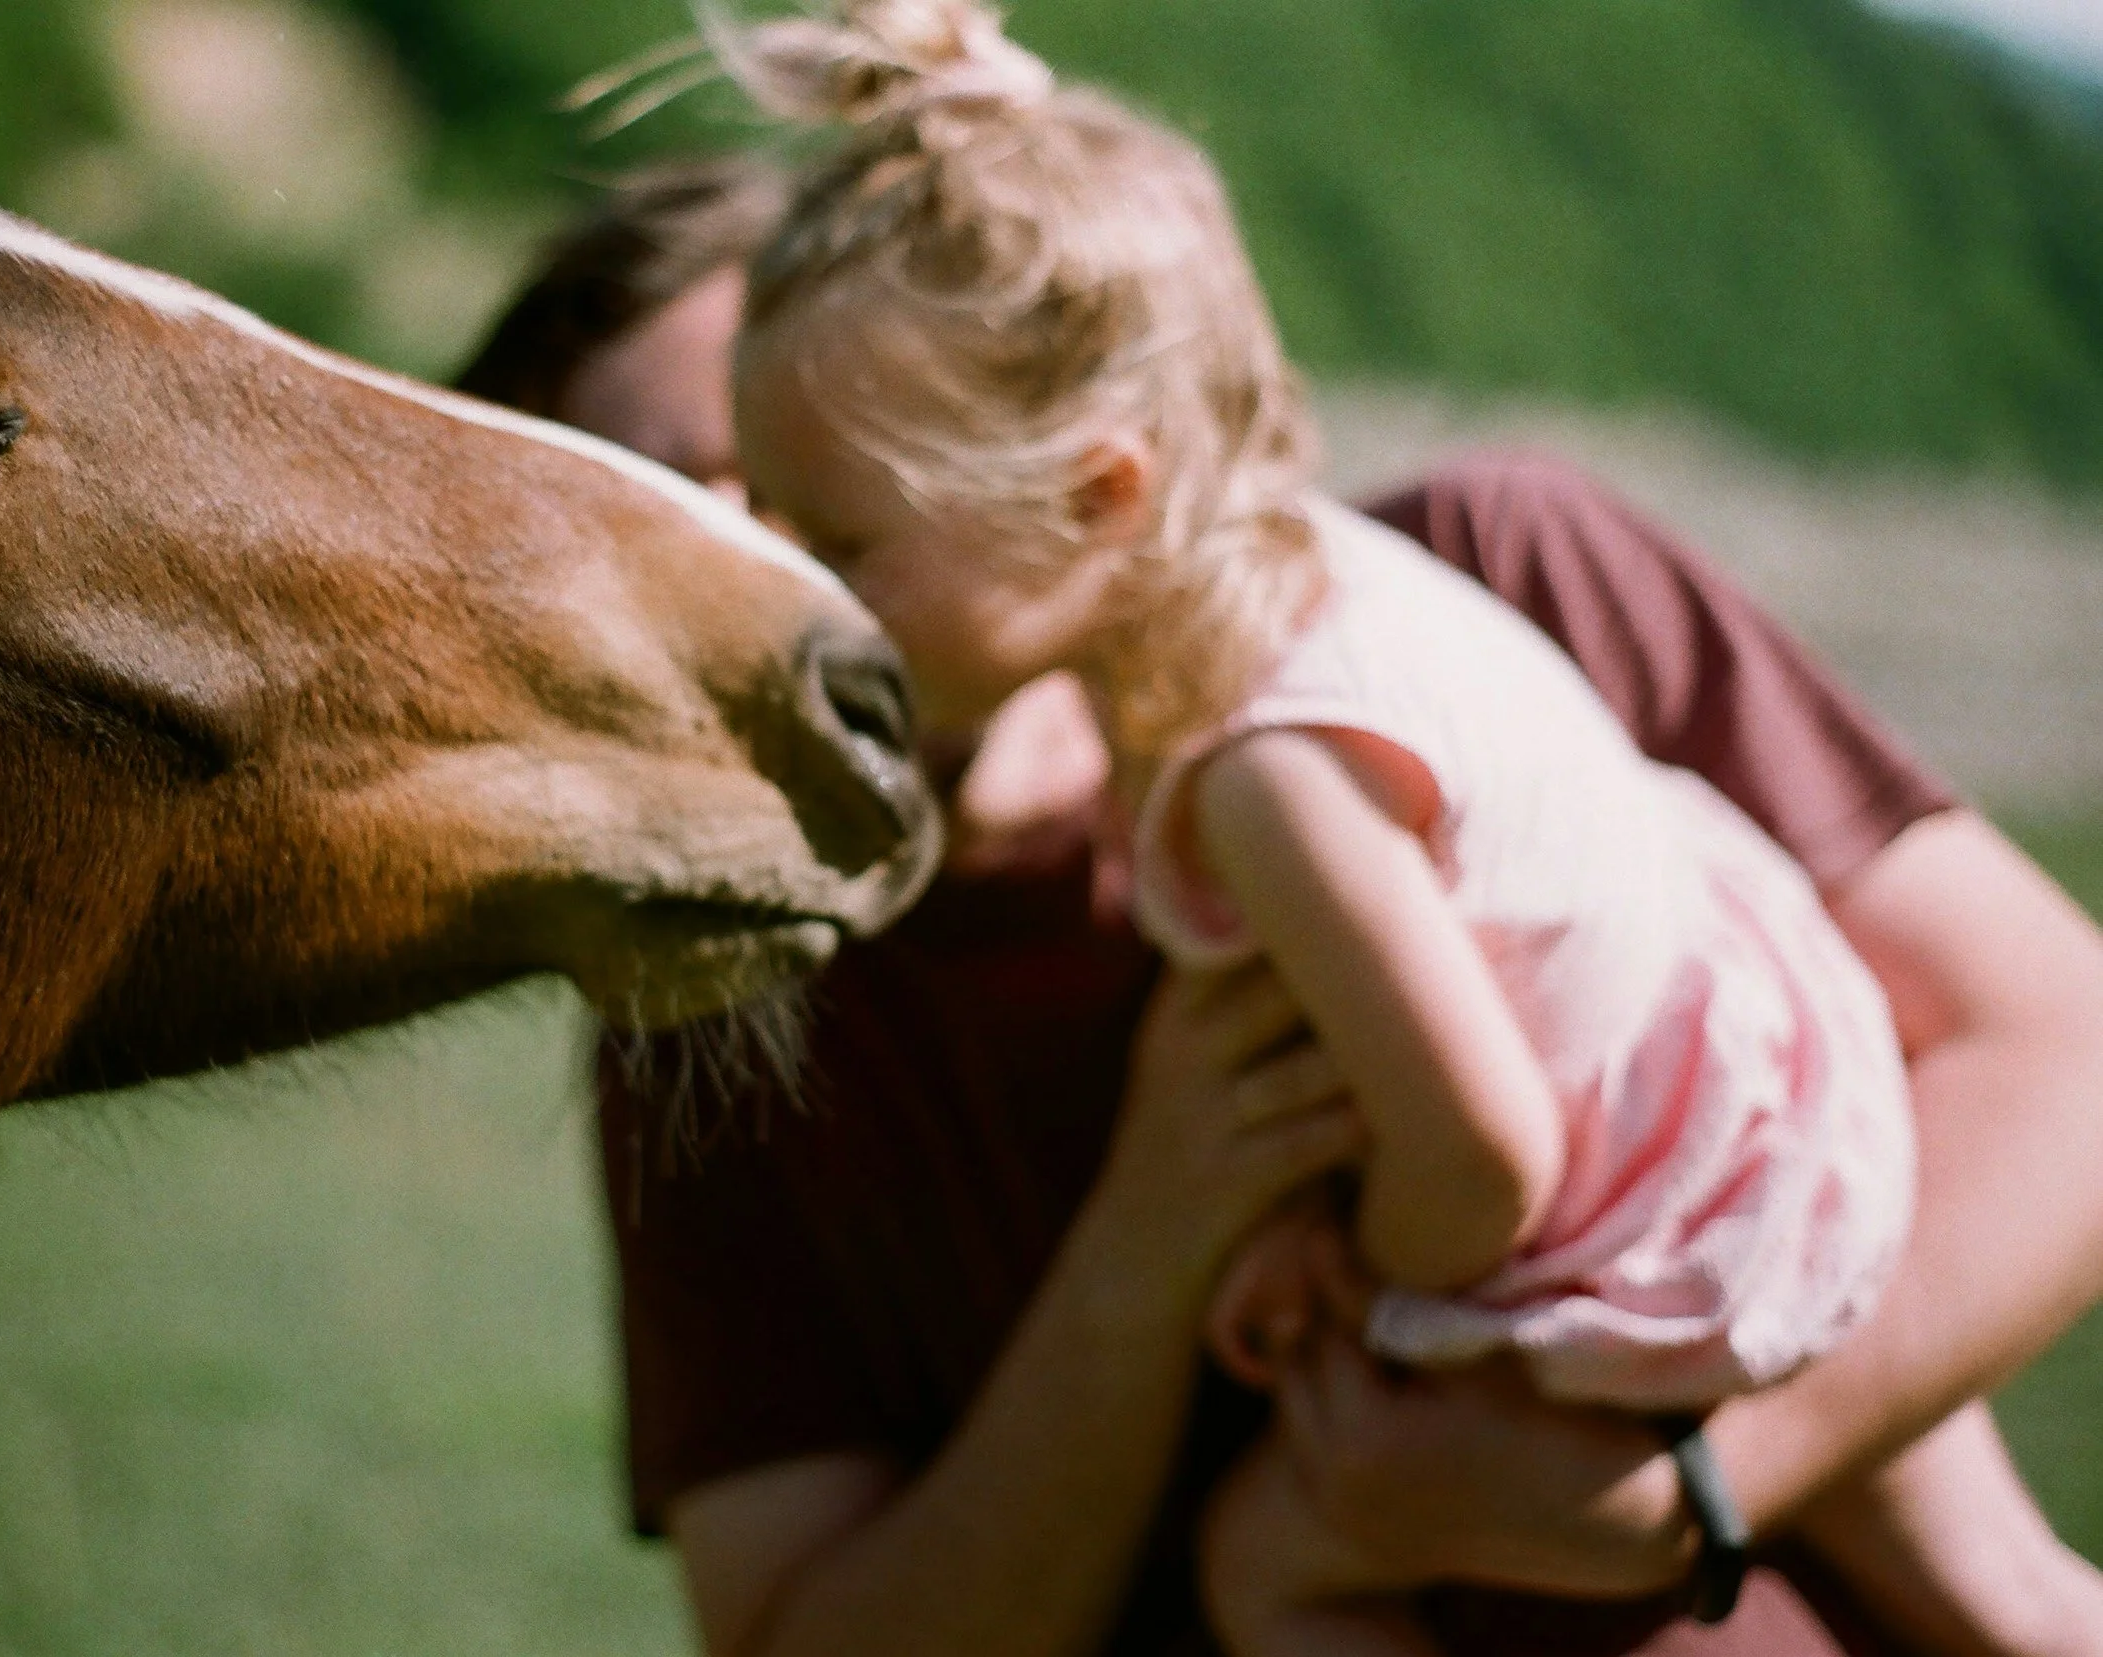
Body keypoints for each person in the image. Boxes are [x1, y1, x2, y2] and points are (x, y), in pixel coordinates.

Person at [457, 92, 2103, 1657]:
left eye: (792, 469)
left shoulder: (1493, 577)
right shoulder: (719, 1027)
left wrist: (1691, 1485)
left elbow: (2064, 1053)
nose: (765, 568)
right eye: (666, 528)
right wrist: (1145, 1252)